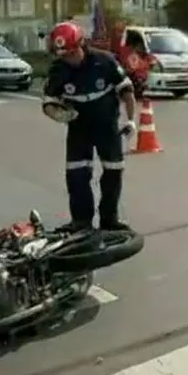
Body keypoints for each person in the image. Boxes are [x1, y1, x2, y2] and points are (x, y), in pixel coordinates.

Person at [41, 22, 137, 232]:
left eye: (73, 53)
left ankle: (109, 220)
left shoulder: (104, 61)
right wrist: (57, 113)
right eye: (64, 55)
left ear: (82, 44)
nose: (70, 59)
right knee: (77, 175)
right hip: (78, 129)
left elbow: (127, 91)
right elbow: (48, 102)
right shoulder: (58, 70)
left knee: (113, 172)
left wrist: (130, 119)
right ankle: (81, 222)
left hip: (107, 127)